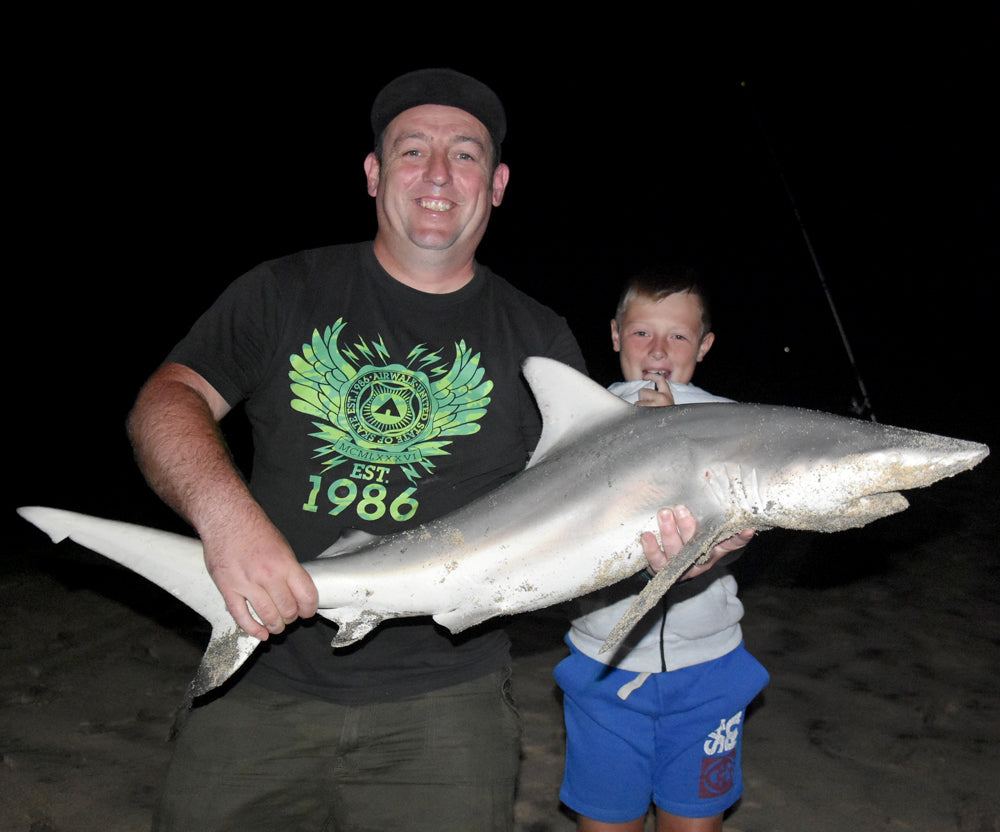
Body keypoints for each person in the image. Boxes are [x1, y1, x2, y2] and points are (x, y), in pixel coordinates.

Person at [127, 69, 743, 831]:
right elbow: (166, 400)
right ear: (374, 172)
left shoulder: (540, 344)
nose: (439, 175)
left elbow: (577, 524)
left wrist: (677, 546)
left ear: (498, 185)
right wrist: (226, 519)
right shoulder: (283, 290)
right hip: (263, 681)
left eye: (466, 155)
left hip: (448, 703)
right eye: (413, 151)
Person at [555, 267, 768, 832]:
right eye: (642, 332)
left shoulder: (732, 421)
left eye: (678, 335)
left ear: (705, 345)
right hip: (605, 664)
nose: (657, 349)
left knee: (695, 822)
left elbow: (752, 522)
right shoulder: (579, 419)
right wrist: (631, 437)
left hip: (710, 666)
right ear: (615, 335)